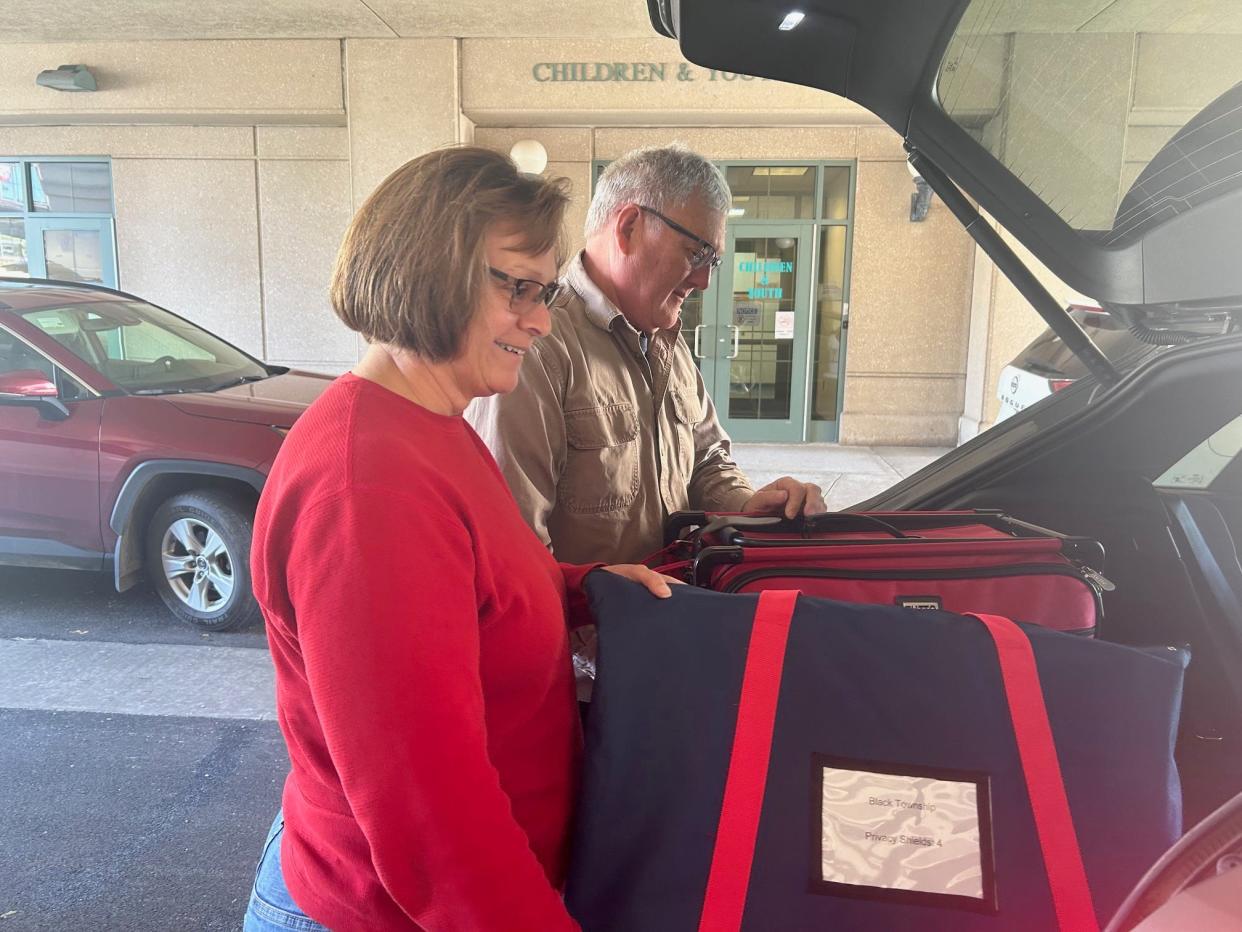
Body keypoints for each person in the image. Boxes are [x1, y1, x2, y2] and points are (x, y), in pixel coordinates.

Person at [241, 147, 674, 932]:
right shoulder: (367, 486)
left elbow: (473, 586)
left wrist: (585, 585)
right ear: (426, 267)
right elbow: (429, 817)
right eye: (518, 287)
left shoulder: (430, 423)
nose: (540, 321)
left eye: (544, 292)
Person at [468, 143, 827, 570]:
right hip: (592, 631)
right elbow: (514, 550)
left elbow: (708, 460)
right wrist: (599, 599)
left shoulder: (668, 343)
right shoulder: (538, 347)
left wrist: (750, 505)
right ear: (629, 227)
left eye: (714, 261)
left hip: (666, 619)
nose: (704, 281)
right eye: (697, 254)